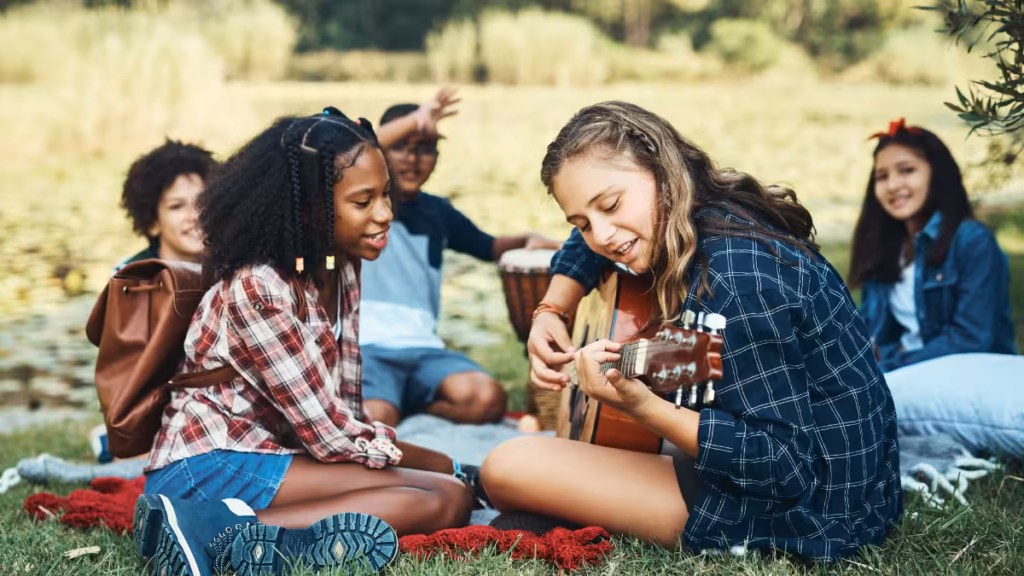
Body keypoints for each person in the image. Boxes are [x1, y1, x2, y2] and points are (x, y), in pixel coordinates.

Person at [480, 102, 903, 563]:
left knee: (506, 466)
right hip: (833, 476)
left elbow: (785, 467)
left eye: (610, 205)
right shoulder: (703, 211)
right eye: (582, 222)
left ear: (662, 170)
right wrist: (552, 310)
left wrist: (643, 408)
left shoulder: (735, 282)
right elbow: (594, 237)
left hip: (813, 508)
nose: (601, 235)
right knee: (565, 448)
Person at [136, 108, 473, 576]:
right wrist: (445, 464)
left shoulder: (341, 271)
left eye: (386, 195)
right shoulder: (260, 287)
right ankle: (205, 532)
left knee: (447, 497)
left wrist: (443, 469)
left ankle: (266, 537)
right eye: (363, 201)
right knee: (443, 494)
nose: (385, 215)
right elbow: (332, 436)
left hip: (270, 455)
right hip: (205, 465)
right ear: (311, 208)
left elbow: (347, 411)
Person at [358, 87, 561, 426]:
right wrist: (417, 120)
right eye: (401, 148)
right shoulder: (356, 204)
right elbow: (351, 152)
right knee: (375, 416)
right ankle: (393, 409)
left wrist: (528, 239)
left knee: (487, 400)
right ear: (380, 154)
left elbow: (489, 247)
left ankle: (412, 411)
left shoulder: (439, 212)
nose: (412, 160)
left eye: (425, 150)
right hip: (367, 349)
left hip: (425, 351)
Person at [848, 118, 1015, 372]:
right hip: (905, 380)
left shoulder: (972, 241)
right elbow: (873, 337)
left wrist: (892, 364)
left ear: (936, 174)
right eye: (882, 176)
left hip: (971, 378)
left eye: (907, 170)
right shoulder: (884, 249)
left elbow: (972, 340)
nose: (892, 185)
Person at [118, 139, 218, 268]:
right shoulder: (129, 277)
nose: (194, 216)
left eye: (203, 202)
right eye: (176, 206)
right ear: (152, 223)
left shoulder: (237, 272)